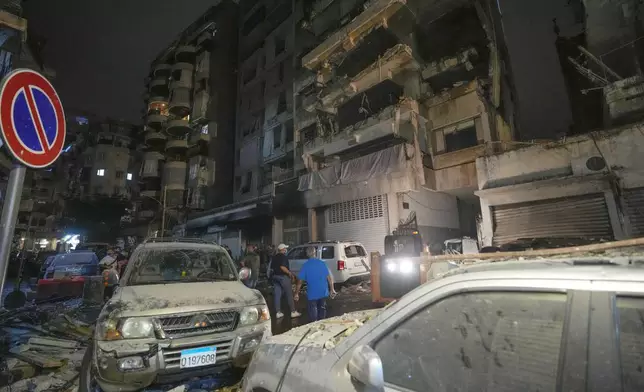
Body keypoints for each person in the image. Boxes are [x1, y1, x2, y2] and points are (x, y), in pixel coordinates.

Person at [294, 246, 336, 322]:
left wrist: (296, 293)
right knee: (322, 308)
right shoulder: (322, 263)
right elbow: (329, 278)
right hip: (323, 291)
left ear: (307, 254)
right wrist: (332, 289)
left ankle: (315, 324)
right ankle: (321, 324)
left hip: (312, 293)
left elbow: (300, 282)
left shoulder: (305, 266)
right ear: (315, 253)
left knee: (313, 311)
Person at [271, 243, 301, 319]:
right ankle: (293, 312)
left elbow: (272, 267)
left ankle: (278, 312)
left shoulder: (274, 257)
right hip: (282, 277)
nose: (286, 250)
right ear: (282, 249)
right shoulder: (283, 257)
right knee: (289, 294)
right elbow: (282, 267)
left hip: (275, 277)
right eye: (285, 248)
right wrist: (289, 273)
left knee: (277, 294)